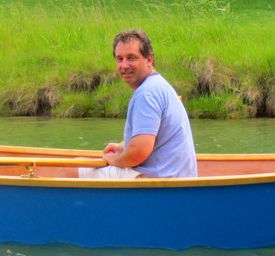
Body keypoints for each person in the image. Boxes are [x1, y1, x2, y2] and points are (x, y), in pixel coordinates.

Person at [76, 29, 197, 179]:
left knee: (72, 169)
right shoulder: (159, 85)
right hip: (176, 178)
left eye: (131, 58)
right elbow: (151, 140)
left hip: (159, 181)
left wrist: (113, 160)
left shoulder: (146, 94)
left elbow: (139, 152)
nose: (124, 65)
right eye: (120, 59)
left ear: (149, 60)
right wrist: (123, 147)